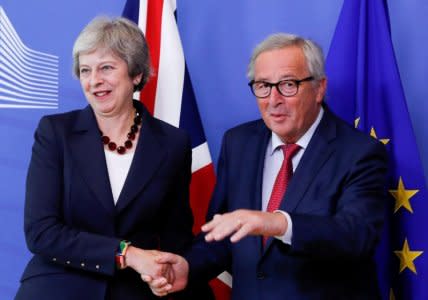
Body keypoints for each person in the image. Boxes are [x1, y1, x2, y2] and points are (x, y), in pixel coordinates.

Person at [146, 33, 388, 299]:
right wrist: (189, 268)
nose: (273, 100)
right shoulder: (238, 143)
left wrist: (277, 223)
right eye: (263, 85)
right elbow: (226, 235)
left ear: (319, 88)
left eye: (288, 84)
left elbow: (356, 236)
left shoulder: (359, 152)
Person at [15, 16, 212, 300]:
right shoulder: (55, 133)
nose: (94, 81)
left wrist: (164, 274)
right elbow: (41, 232)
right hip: (58, 286)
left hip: (134, 290)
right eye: (85, 70)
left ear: (135, 74)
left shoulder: (173, 143)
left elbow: (175, 237)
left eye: (106, 68)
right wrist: (127, 254)